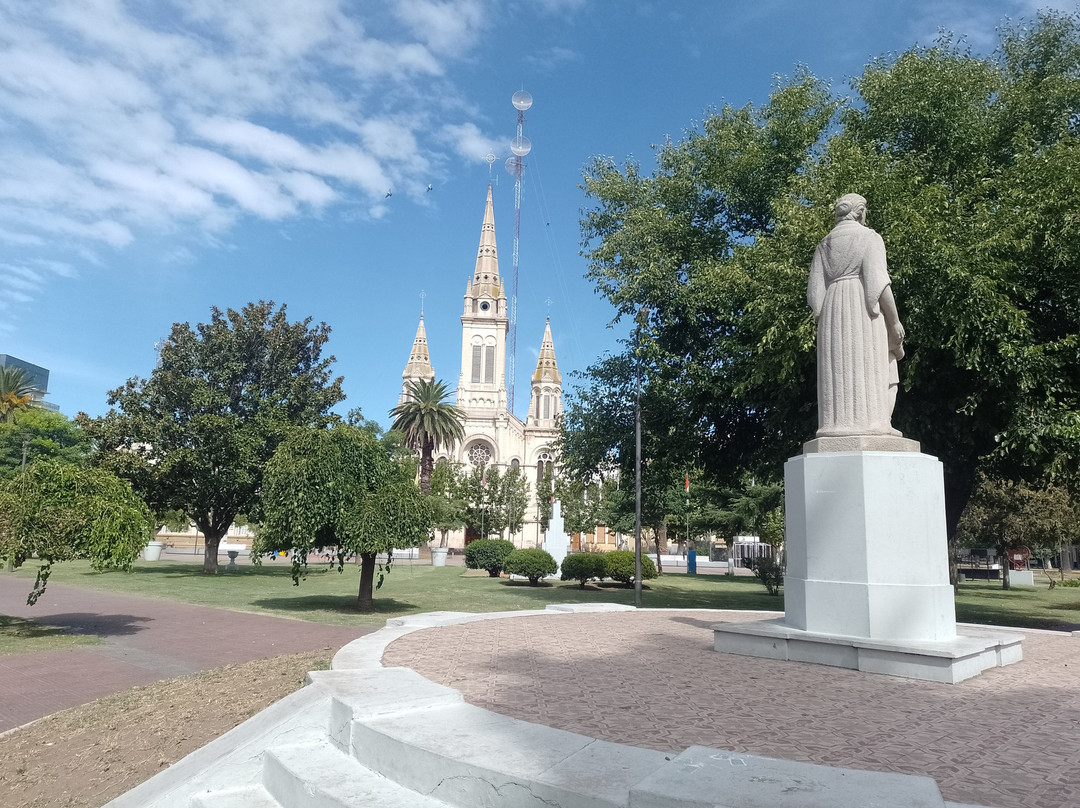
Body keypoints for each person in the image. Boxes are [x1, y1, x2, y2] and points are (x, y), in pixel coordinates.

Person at [807, 193, 905, 437]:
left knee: (837, 369)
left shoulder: (824, 245)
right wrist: (894, 321)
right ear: (860, 211)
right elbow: (879, 284)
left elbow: (814, 296)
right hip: (861, 307)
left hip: (832, 308)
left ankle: (834, 426)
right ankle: (874, 424)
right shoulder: (869, 237)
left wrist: (826, 313)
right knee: (868, 363)